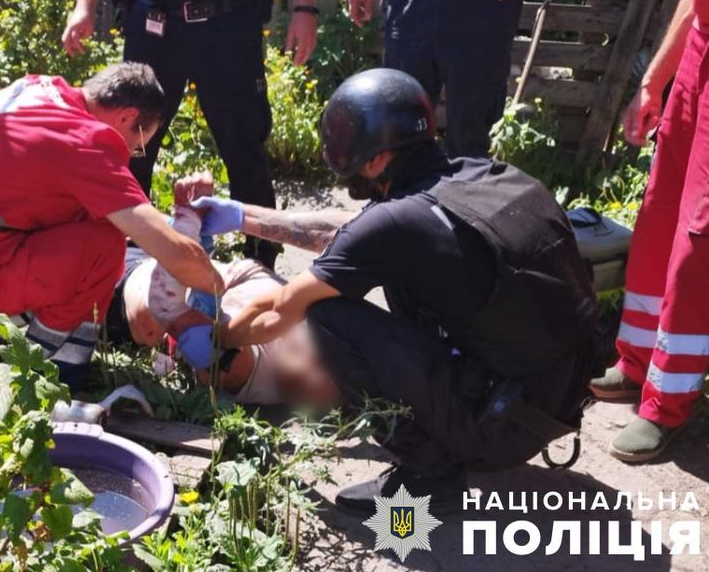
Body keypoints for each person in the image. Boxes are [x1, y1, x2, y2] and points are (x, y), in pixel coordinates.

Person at [192, 68, 599, 516]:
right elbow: (348, 233)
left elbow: (283, 308)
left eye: (348, 146)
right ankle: (459, 417)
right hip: (552, 403)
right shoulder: (480, 176)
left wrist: (216, 338)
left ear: (375, 160)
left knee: (328, 317)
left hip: (500, 429)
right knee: (385, 283)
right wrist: (239, 215)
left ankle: (430, 474)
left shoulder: (397, 224)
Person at [0, 63, 222, 389]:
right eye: (137, 146)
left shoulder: (38, 89)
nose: (131, 155)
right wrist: (220, 289)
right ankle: (45, 371)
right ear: (125, 117)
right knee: (104, 247)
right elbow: (176, 255)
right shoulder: (85, 143)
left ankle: (0, 333)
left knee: (89, 218)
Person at [62, 0, 319, 268]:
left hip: (229, 22)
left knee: (244, 148)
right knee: (128, 146)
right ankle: (117, 265)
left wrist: (305, 8)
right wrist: (84, 4)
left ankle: (261, 263)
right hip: (156, 22)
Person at [588, 0, 709, 463]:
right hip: (699, 55)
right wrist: (658, 76)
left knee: (698, 239)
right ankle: (637, 362)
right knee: (659, 216)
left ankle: (667, 403)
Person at [104, 173, 340, 408]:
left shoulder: (250, 371)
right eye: (325, 362)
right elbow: (352, 233)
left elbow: (169, 307)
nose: (318, 373)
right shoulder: (304, 312)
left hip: (114, 287)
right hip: (148, 250)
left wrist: (189, 224)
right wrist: (198, 233)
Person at [346, 0, 590, 158]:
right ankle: (402, 204)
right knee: (397, 131)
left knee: (469, 143)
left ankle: (458, 204)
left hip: (482, 2)